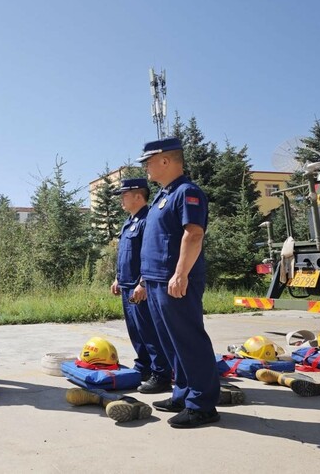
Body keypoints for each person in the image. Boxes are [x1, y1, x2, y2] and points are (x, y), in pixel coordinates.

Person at [132, 137, 221, 428]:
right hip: (157, 280)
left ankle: (202, 404)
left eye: (148, 161)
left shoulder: (187, 192)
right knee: (172, 342)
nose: (145, 167)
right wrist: (145, 279)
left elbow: (193, 234)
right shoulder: (162, 195)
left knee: (189, 341)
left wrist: (181, 273)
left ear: (165, 161)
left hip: (176, 281)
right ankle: (183, 393)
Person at [112, 178, 173, 393]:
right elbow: (126, 254)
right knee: (136, 330)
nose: (121, 199)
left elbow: (151, 255)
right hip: (127, 284)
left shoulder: (148, 220)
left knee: (149, 331)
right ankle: (144, 367)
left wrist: (143, 283)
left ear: (139, 196)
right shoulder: (130, 221)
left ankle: (161, 373)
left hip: (140, 287)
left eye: (124, 195)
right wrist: (118, 278)